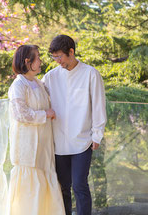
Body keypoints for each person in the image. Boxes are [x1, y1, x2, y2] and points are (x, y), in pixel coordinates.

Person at [42, 35, 107, 215]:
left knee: (79, 185)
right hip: (58, 142)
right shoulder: (50, 77)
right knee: (62, 188)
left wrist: (97, 134)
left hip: (83, 140)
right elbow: (37, 99)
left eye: (60, 57)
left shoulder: (90, 73)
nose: (58, 61)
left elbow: (98, 105)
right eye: (54, 57)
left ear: (71, 52)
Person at [8, 45, 65, 215]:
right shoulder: (18, 85)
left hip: (44, 147)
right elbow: (21, 114)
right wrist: (45, 114)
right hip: (27, 148)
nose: (40, 61)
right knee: (30, 191)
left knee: (45, 183)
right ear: (28, 61)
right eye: (37, 58)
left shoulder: (38, 83)